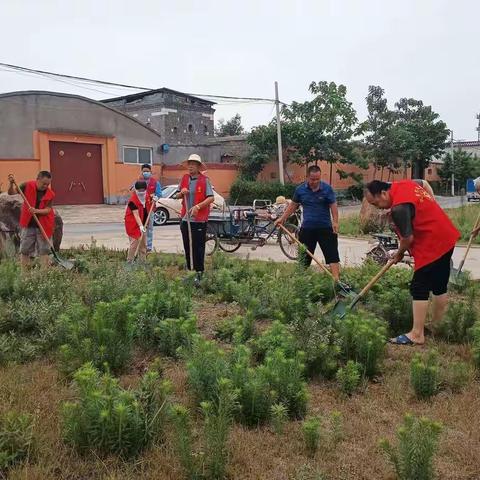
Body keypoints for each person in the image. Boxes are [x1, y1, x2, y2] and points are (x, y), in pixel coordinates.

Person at [365, 179, 460, 346]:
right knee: (439, 284)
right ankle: (438, 325)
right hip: (446, 235)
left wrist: (399, 253)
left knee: (419, 286)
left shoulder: (399, 208)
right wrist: (432, 204)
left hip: (432, 243)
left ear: (383, 193)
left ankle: (417, 334)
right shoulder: (403, 184)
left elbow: (408, 238)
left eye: (376, 203)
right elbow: (424, 183)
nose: (378, 207)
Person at [276, 164, 341, 281]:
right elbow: (292, 206)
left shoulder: (327, 189)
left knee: (332, 254)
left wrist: (335, 222)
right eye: (312, 179)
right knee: (304, 256)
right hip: (307, 229)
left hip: (325, 228)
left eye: (317, 179)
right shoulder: (300, 190)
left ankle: (336, 280)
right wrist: (282, 218)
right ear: (307, 177)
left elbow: (333, 206)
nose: (315, 182)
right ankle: (300, 280)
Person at [176, 154, 214, 284]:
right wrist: (181, 193)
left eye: (193, 164)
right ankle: (190, 271)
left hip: (199, 220)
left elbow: (211, 198)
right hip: (185, 219)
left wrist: (198, 206)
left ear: (198, 166)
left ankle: (199, 273)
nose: (190, 166)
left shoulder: (205, 180)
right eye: (189, 164)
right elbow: (176, 195)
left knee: (198, 247)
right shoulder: (185, 178)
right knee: (188, 246)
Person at [7, 171, 55, 266]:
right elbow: (11, 193)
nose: (45, 186)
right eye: (43, 183)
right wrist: (11, 184)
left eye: (48, 184)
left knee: (44, 250)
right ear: (37, 179)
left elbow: (48, 209)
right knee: (25, 249)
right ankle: (25, 274)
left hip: (43, 225)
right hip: (28, 224)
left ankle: (44, 274)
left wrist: (36, 211)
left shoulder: (50, 194)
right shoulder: (26, 185)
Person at [133, 164, 162, 252]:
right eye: (144, 171)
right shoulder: (138, 182)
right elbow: (133, 192)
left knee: (149, 229)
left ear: (150, 172)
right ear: (142, 172)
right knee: (140, 227)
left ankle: (148, 247)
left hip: (150, 209)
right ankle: (139, 245)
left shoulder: (155, 182)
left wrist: (156, 197)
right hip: (140, 209)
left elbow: (159, 194)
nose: (146, 173)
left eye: (147, 171)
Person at [125, 180, 152, 262]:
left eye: (143, 190)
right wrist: (140, 226)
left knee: (143, 245)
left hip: (144, 223)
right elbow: (136, 214)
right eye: (139, 191)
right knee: (134, 244)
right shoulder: (132, 201)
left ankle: (142, 262)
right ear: (136, 190)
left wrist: (153, 199)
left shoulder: (146, 195)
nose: (141, 192)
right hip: (133, 225)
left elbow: (150, 203)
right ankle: (129, 262)